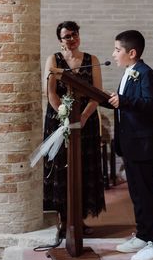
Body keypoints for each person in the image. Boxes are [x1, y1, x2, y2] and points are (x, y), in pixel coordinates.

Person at [107, 30, 153, 260]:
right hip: (131, 145)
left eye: (117, 49)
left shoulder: (146, 74)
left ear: (131, 53)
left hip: (145, 145)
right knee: (137, 195)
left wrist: (124, 101)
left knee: (148, 194)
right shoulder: (128, 73)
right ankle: (143, 236)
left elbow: (151, 105)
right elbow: (128, 106)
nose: (113, 54)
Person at [43, 20, 106, 236]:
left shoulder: (92, 60)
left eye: (75, 34)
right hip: (59, 120)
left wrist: (84, 116)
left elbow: (97, 93)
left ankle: (79, 220)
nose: (72, 39)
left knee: (83, 167)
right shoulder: (54, 60)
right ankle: (62, 219)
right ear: (60, 40)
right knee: (62, 168)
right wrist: (64, 113)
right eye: (67, 36)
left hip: (85, 121)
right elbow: (51, 91)